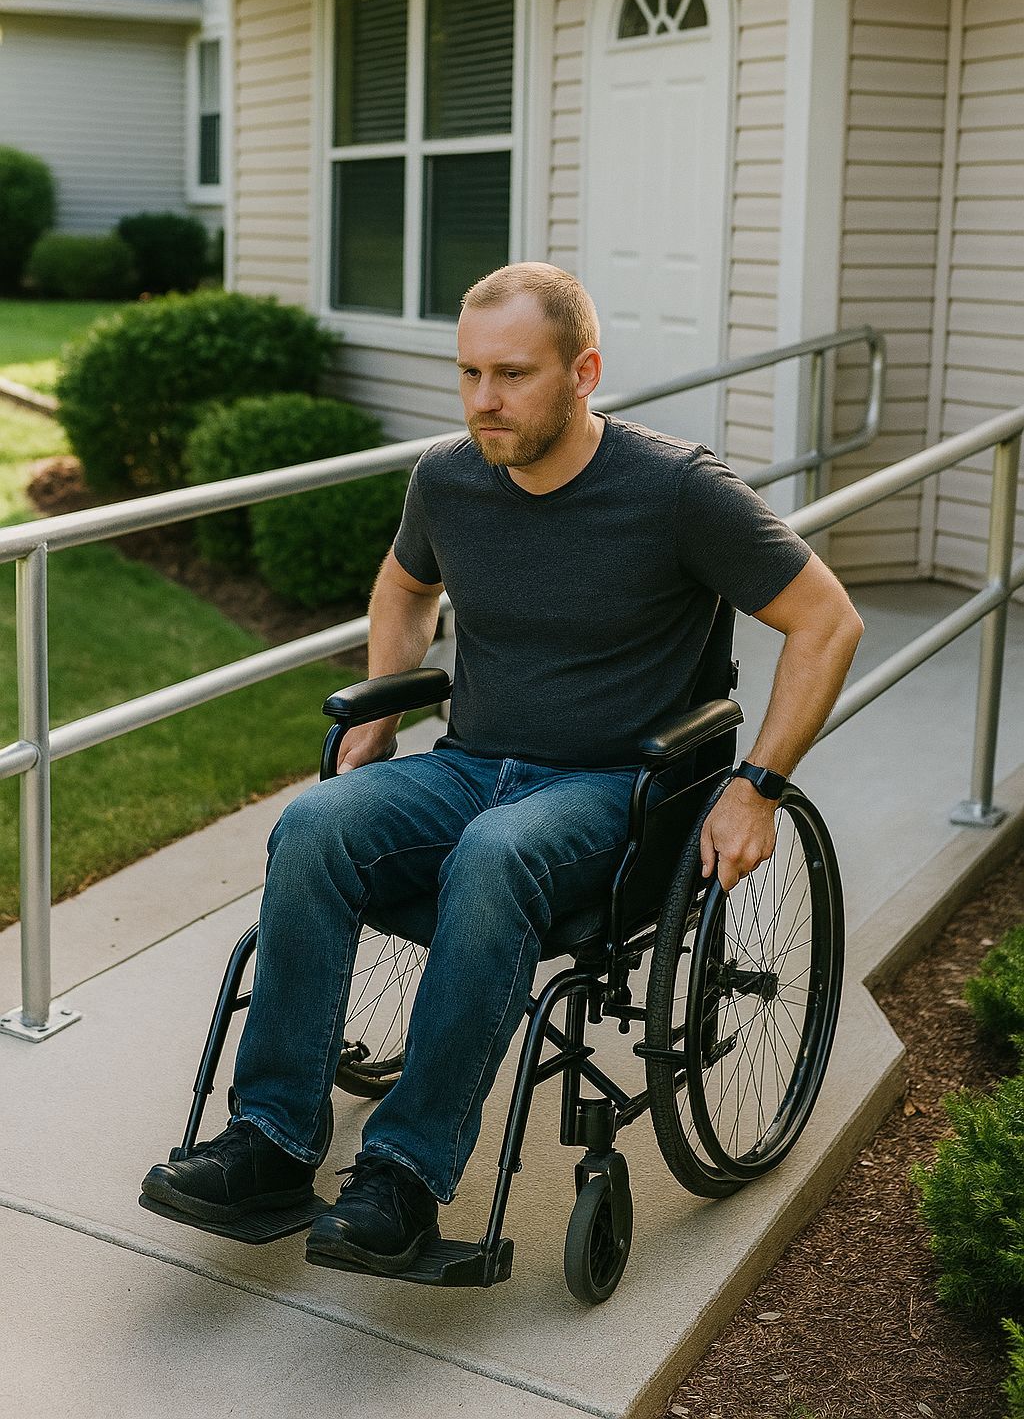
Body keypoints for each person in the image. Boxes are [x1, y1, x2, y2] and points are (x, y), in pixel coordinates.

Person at [141, 263, 863, 1277]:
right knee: (316, 824)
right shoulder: (447, 477)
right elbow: (402, 584)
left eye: (513, 374)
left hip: (615, 791)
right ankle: (270, 1142)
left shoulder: (675, 491)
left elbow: (826, 620)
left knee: (493, 854)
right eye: (470, 373)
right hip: (471, 764)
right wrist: (386, 706)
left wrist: (759, 787)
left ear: (584, 373)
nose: (484, 399)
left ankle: (400, 1176)